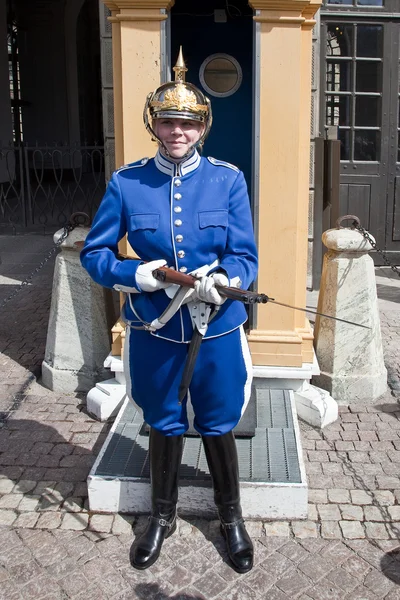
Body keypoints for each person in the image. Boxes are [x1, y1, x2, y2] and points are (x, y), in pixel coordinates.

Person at [80, 48, 258, 574]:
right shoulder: (127, 182)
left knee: (220, 420)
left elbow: (244, 255)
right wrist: (133, 274)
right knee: (162, 420)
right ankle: (161, 516)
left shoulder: (228, 180)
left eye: (187, 122)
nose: (176, 130)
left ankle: (231, 518)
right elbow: (95, 253)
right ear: (153, 125)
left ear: (202, 128)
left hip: (216, 328)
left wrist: (225, 282)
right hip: (155, 326)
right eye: (167, 121)